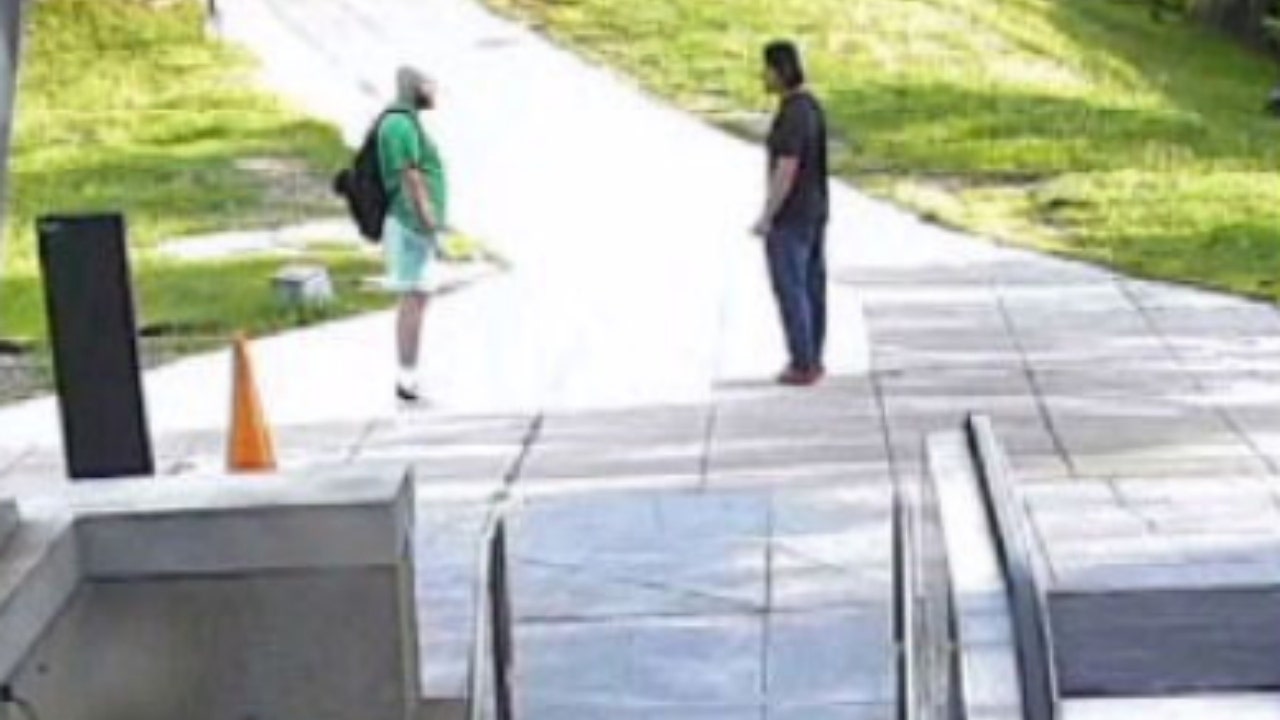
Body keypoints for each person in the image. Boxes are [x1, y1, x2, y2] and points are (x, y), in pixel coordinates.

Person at [753, 40, 830, 386]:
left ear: (781, 71)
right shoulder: (812, 107)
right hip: (815, 209)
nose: (762, 76)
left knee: (792, 288)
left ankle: (802, 361)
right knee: (812, 286)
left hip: (792, 214)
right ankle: (813, 355)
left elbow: (787, 166)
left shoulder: (792, 114)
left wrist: (767, 214)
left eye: (767, 68)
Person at [379, 66, 449, 402]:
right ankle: (406, 376)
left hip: (411, 223)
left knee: (419, 297)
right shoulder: (401, 125)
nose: (434, 92)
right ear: (414, 88)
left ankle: (410, 373)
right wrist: (429, 220)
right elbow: (412, 176)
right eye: (428, 85)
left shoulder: (404, 122)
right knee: (413, 298)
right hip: (410, 224)